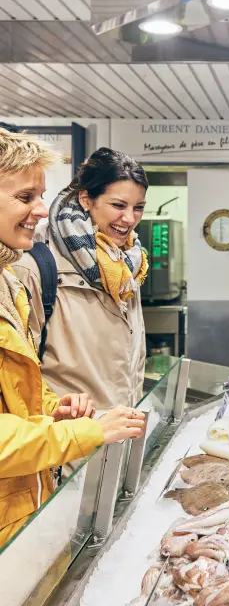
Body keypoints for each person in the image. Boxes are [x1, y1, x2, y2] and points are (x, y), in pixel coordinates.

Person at [0, 128, 146, 547]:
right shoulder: (33, 270)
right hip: (63, 458)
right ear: (88, 200)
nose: (41, 210)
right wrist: (84, 434)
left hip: (40, 481)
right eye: (25, 198)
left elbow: (18, 386)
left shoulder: (126, 269)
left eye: (137, 207)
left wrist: (53, 408)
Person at [15, 148, 149, 411]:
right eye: (119, 205)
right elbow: (19, 378)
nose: (130, 218)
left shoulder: (126, 263)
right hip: (68, 438)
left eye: (139, 208)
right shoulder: (36, 263)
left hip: (120, 432)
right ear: (86, 199)